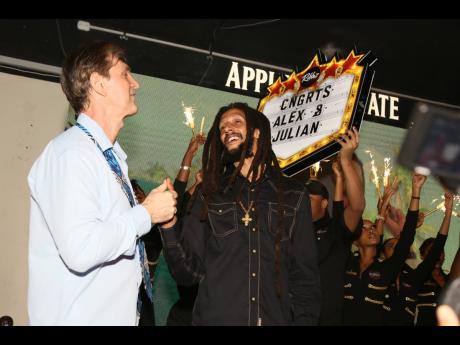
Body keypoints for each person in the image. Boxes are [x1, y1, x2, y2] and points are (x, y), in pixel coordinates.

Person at [27, 41, 177, 325]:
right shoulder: (71, 154)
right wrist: (147, 214)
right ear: (99, 84)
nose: (135, 84)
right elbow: (81, 250)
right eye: (125, 74)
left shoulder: (106, 157)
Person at [159, 102, 321, 325]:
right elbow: (186, 273)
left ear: (256, 131)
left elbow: (305, 278)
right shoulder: (209, 193)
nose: (227, 129)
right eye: (222, 128)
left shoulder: (294, 195)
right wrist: (169, 226)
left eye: (236, 121)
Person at [342, 173, 426, 325]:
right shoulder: (345, 261)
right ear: (354, 240)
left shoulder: (386, 268)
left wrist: (416, 191)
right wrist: (381, 213)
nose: (371, 230)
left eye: (373, 227)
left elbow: (407, 236)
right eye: (364, 228)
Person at [306, 127, 365, 325]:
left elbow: (356, 207)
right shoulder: (291, 230)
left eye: (309, 199)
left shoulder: (336, 232)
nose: (302, 203)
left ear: (324, 203)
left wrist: (346, 161)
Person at [382, 191, 454, 325]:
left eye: (399, 246)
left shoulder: (413, 277)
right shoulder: (377, 274)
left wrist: (448, 213)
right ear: (381, 254)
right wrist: (382, 214)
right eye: (391, 246)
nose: (397, 249)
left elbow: (437, 248)